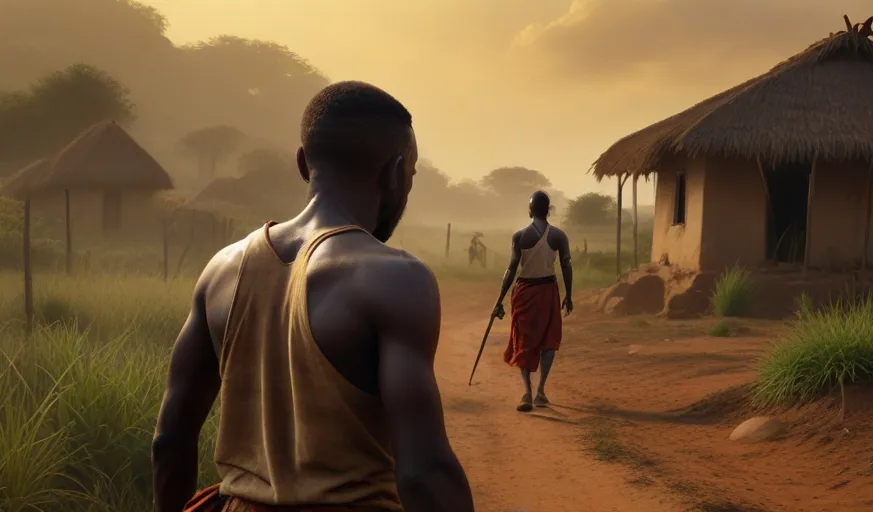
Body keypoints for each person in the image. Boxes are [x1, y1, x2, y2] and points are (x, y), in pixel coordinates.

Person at [151, 81, 474, 512]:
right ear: (395, 172)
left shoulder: (221, 270)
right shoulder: (397, 277)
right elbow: (423, 473)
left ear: (303, 163)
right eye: (410, 175)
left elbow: (170, 439)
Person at [491, 191, 572, 412]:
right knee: (549, 340)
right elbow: (566, 266)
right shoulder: (558, 236)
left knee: (523, 342)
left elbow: (511, 269)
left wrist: (499, 300)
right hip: (548, 291)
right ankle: (540, 392)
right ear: (549, 210)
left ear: (530, 210)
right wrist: (569, 295)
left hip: (524, 292)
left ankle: (527, 392)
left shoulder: (520, 236)